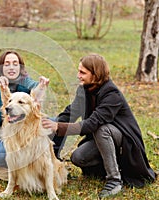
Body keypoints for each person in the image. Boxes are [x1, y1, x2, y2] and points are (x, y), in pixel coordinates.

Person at [42, 54, 156, 198]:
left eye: (82, 72)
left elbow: (92, 124)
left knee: (102, 129)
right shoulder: (84, 89)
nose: (78, 76)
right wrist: (51, 129)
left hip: (124, 143)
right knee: (78, 157)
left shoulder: (111, 94)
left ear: (96, 75)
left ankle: (114, 180)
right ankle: (113, 167)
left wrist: (58, 126)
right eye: (78, 71)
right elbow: (71, 112)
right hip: (103, 139)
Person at [0, 50, 56, 175]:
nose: (11, 67)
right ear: (1, 67)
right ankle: (15, 168)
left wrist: (41, 85)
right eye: (7, 64)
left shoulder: (24, 81)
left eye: (15, 64)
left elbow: (34, 87)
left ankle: (51, 158)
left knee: (54, 122)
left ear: (20, 67)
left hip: (24, 132)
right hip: (4, 135)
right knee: (0, 154)